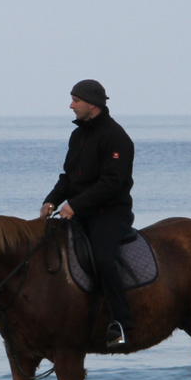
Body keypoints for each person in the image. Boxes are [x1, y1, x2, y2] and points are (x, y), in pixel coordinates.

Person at [40, 78, 137, 349]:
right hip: (80, 211)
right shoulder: (78, 135)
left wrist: (75, 205)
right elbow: (68, 177)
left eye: (76, 100)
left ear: (92, 105)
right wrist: (52, 200)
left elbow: (112, 183)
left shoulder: (117, 137)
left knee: (104, 258)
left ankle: (120, 324)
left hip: (110, 213)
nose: (71, 106)